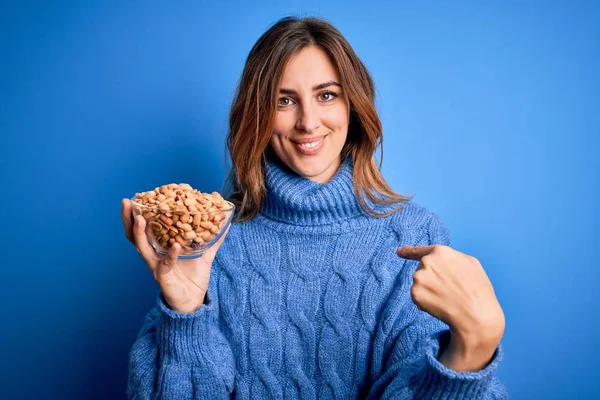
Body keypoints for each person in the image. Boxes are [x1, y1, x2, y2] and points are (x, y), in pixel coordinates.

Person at [121, 16, 507, 399]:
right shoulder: (213, 240)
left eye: (327, 95)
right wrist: (185, 314)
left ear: (353, 106)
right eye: (284, 101)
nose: (308, 122)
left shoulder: (415, 236)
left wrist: (469, 353)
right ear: (257, 113)